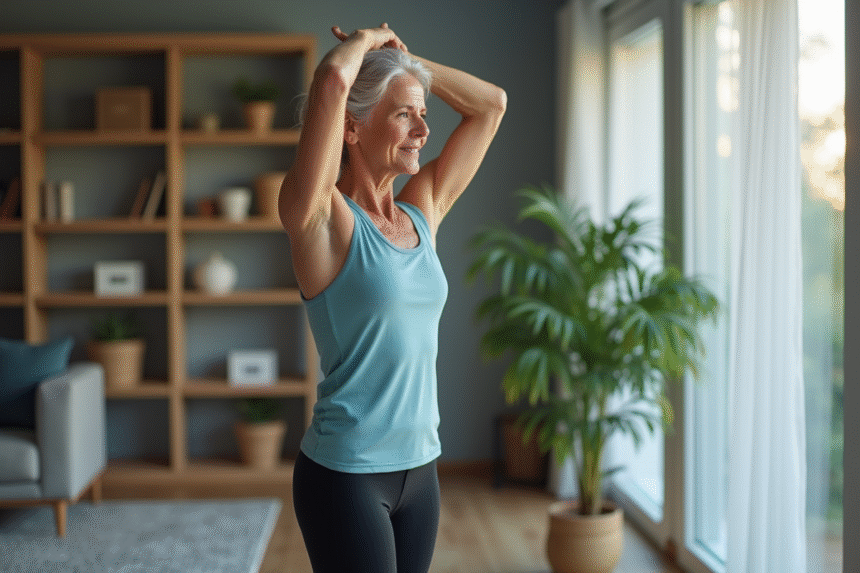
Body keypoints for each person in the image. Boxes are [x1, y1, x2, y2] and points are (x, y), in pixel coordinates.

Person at [280, 22, 506, 573]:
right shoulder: (319, 218)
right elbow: (333, 78)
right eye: (405, 113)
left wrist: (407, 62)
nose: (423, 129)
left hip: (421, 468)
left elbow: (491, 106)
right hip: (346, 475)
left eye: (423, 113)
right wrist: (366, 42)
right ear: (352, 129)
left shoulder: (420, 210)